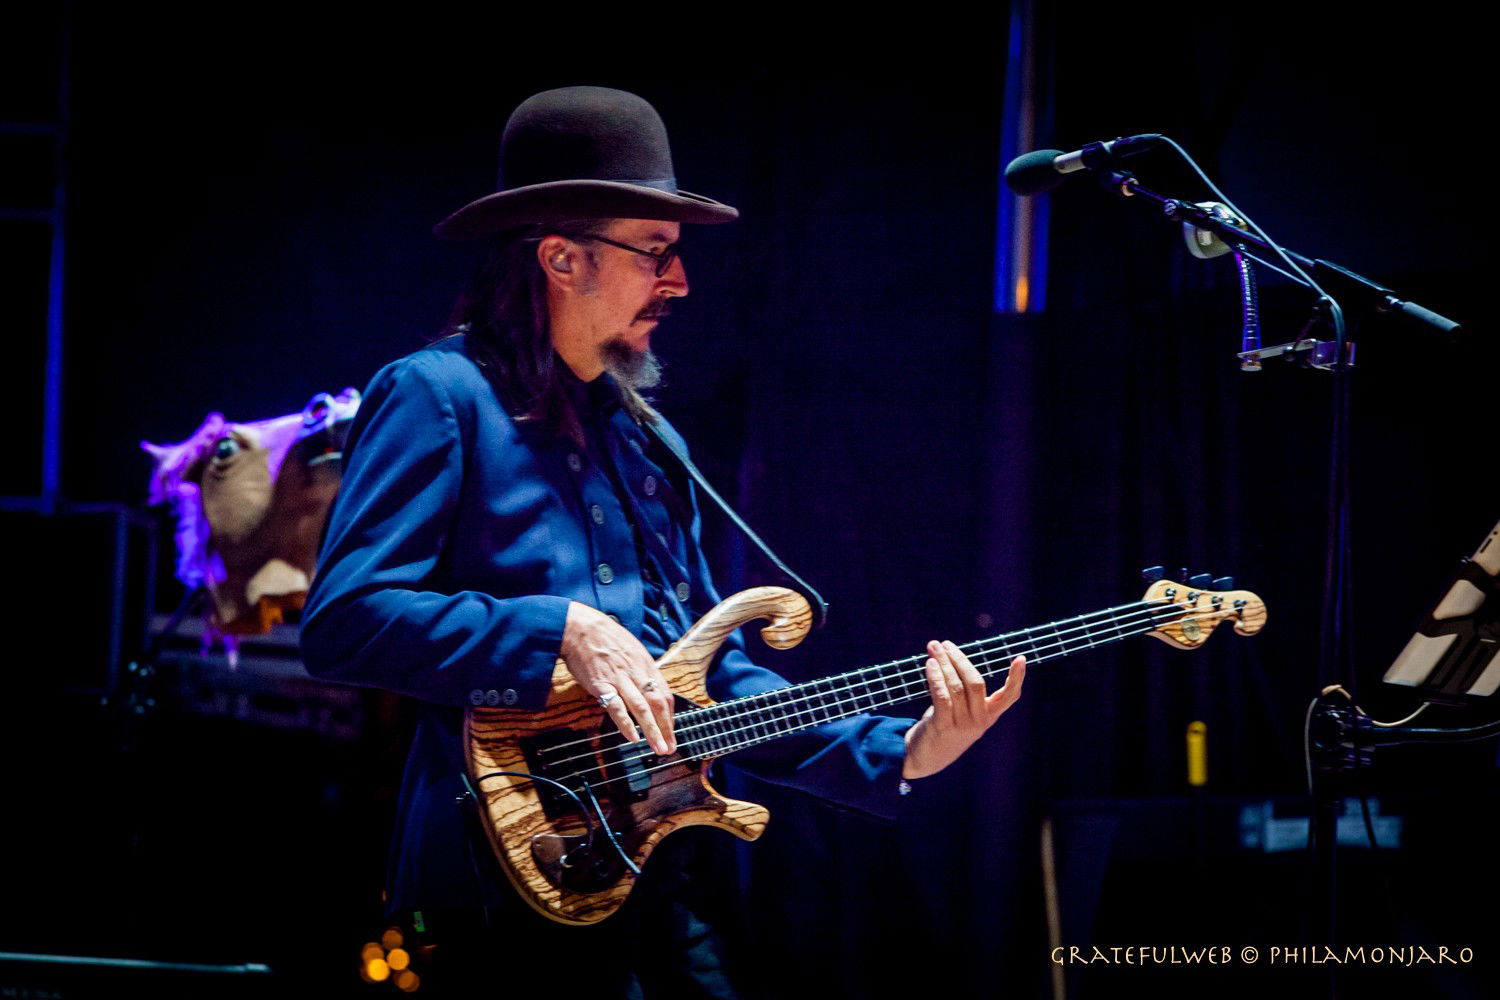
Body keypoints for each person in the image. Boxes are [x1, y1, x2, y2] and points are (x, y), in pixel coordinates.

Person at [300, 85, 1025, 996]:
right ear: (562, 258)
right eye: (657, 252)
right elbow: (345, 621)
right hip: (497, 878)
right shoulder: (438, 395)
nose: (679, 283)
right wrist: (556, 629)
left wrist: (902, 748)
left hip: (664, 880)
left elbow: (706, 676)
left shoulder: (648, 440)